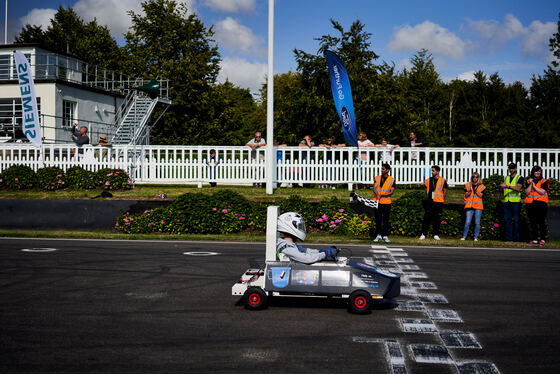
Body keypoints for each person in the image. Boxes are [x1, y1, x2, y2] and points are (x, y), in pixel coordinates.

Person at [419, 165, 448, 240]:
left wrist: (440, 199)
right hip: (430, 202)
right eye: (431, 170)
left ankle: (435, 234)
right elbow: (427, 191)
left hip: (439, 202)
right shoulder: (428, 180)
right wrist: (429, 198)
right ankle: (423, 234)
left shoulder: (443, 180)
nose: (431, 172)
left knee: (437, 218)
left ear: (438, 171)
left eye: (433, 171)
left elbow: (444, 192)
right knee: (427, 218)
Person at [524, 165, 549, 246]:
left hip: (541, 204)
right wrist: (531, 183)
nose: (538, 172)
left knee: (541, 222)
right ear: (533, 172)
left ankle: (542, 239)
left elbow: (542, 192)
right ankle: (534, 238)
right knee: (533, 222)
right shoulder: (528, 181)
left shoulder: (544, 181)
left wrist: (533, 186)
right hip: (531, 204)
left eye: (539, 171)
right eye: (536, 171)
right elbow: (527, 192)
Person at [499, 162, 524, 241]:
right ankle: (508, 238)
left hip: (516, 202)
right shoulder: (506, 178)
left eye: (513, 168)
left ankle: (517, 238)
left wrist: (507, 186)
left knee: (516, 221)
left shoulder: (519, 177)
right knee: (507, 221)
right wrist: (501, 187)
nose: (511, 169)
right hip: (507, 201)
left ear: (516, 169)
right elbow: (502, 190)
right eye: (510, 168)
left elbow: (518, 188)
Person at [373, 163, 395, 243]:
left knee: (386, 219)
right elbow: (375, 188)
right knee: (378, 219)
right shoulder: (377, 178)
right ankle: (378, 235)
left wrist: (382, 194)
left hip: (387, 202)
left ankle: (385, 235)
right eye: (381, 168)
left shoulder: (392, 179)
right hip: (378, 202)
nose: (381, 170)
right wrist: (377, 194)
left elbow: (392, 192)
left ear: (387, 170)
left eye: (383, 169)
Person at [461, 172, 486, 241]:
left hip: (478, 207)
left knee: (477, 223)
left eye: (476, 177)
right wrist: (469, 192)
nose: (475, 178)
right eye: (473, 177)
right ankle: (464, 237)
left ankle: (475, 237)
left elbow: (481, 196)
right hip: (469, 206)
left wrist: (476, 191)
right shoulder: (467, 185)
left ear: (479, 178)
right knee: (467, 222)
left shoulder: (482, 186)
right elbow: (466, 195)